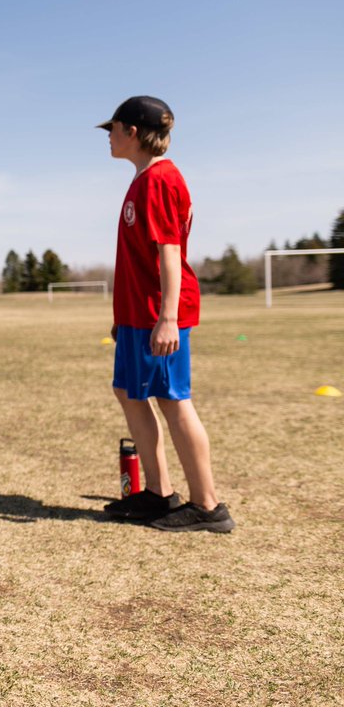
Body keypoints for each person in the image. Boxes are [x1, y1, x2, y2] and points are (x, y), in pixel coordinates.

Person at [98, 96, 235, 532]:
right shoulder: (143, 179)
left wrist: (168, 317)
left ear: (133, 132)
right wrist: (124, 315)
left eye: (113, 129)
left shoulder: (160, 180)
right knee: (129, 392)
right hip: (138, 314)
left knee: (174, 401)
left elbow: (168, 254)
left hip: (160, 314)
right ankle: (158, 494)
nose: (110, 137)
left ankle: (208, 506)